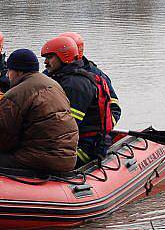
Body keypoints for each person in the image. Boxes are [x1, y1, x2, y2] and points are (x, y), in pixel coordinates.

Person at [0, 48, 78, 172]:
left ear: (18, 72)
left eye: (9, 71)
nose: (7, 75)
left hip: (39, 160)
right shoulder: (54, 85)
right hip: (68, 159)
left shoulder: (14, 95)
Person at [41, 35, 115, 165]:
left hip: (85, 147)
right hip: (76, 142)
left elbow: (67, 128)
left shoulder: (75, 85)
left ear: (64, 57)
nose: (45, 62)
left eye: (50, 57)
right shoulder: (62, 77)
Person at [59, 31, 122, 125]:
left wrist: (102, 126)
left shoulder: (97, 75)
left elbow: (114, 105)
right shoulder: (52, 71)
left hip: (88, 132)